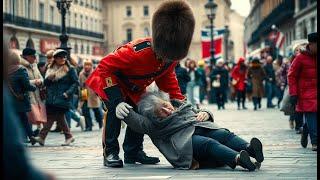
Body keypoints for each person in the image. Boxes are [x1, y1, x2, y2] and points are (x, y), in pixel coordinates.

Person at [85, 0, 194, 168]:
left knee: (142, 113)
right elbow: (105, 67)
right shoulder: (136, 52)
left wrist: (180, 104)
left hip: (134, 88)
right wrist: (117, 100)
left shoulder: (171, 54)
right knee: (116, 112)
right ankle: (110, 152)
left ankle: (133, 151)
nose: (168, 61)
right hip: (110, 82)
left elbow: (168, 81)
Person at [117, 90, 264, 171]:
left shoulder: (181, 105)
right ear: (154, 116)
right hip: (185, 145)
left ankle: (250, 149)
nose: (167, 110)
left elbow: (201, 111)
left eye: (165, 105)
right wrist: (117, 104)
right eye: (161, 111)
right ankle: (239, 160)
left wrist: (207, 113)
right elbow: (135, 121)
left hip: (200, 127)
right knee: (208, 143)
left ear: (167, 99)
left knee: (223, 134)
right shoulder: (153, 125)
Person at [3, 41, 55, 180]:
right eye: (33, 56)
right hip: (24, 98)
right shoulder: (21, 69)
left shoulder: (28, 67)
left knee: (24, 119)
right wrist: (36, 84)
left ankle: (32, 136)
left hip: (23, 99)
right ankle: (31, 136)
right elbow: (13, 156)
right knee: (25, 119)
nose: (35, 58)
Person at [34, 49, 79, 146]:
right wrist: (48, 79)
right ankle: (68, 136)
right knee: (58, 116)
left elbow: (76, 83)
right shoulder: (50, 69)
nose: (62, 59)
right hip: (51, 98)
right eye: (60, 57)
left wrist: (68, 93)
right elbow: (45, 84)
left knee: (53, 116)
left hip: (63, 97)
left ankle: (42, 137)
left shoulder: (70, 69)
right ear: (55, 59)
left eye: (64, 57)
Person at [288, 32, 317, 151]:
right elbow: (291, 76)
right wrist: (293, 93)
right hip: (306, 93)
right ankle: (315, 142)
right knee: (311, 116)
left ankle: (306, 130)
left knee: (313, 120)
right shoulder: (300, 58)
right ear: (311, 44)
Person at [7, 50, 37, 145]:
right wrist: (34, 87)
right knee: (24, 119)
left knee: (14, 119)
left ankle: (21, 137)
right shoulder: (20, 69)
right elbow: (26, 85)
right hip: (20, 99)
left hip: (8, 100)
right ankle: (29, 136)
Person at [20, 47, 47, 137]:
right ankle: (28, 135)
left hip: (38, 95)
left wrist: (40, 81)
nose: (35, 58)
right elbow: (23, 82)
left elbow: (41, 78)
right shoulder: (21, 66)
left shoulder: (35, 65)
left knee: (38, 116)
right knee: (29, 116)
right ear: (26, 57)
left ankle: (34, 134)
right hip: (28, 95)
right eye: (33, 56)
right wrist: (35, 82)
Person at [79, 59, 103, 131]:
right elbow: (80, 85)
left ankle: (100, 122)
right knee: (85, 110)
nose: (87, 66)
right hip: (84, 93)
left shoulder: (95, 73)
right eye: (85, 65)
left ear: (91, 66)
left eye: (88, 65)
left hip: (93, 94)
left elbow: (99, 83)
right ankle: (88, 126)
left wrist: (98, 93)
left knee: (96, 110)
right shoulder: (81, 74)